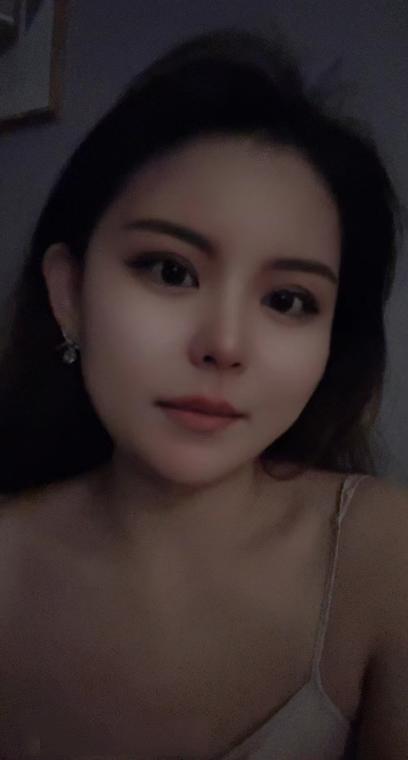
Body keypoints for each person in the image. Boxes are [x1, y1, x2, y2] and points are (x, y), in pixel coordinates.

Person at [0, 26, 406, 760]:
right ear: (70, 295)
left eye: (288, 300)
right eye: (170, 270)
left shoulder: (385, 555)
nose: (225, 344)